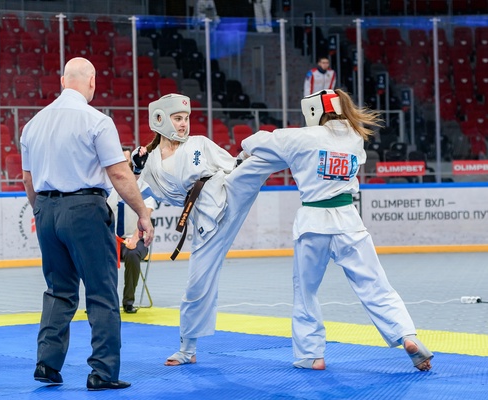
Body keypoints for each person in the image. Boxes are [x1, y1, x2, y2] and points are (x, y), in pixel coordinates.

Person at [238, 89, 434, 371]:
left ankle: (312, 355)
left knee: (306, 292)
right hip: (349, 221)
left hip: (313, 223)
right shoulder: (355, 137)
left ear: (314, 111)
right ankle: (407, 336)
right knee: (376, 285)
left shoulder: (301, 137)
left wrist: (248, 150)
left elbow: (256, 140)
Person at [21, 57, 154, 391]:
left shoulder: (33, 124)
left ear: (62, 81)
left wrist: (43, 211)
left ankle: (46, 364)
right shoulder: (96, 120)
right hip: (84, 210)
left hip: (46, 209)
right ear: (92, 81)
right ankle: (103, 372)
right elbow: (119, 173)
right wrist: (142, 212)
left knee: (58, 290)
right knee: (101, 290)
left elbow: (28, 180)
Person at [131, 93, 269, 366]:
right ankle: (187, 350)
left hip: (227, 192)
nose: (184, 124)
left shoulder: (199, 143)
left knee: (258, 158)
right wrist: (137, 167)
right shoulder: (150, 162)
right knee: (196, 286)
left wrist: (245, 157)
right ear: (160, 119)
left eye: (186, 118)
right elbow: (138, 192)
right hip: (205, 224)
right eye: (177, 118)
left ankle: (293, 146)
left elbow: (232, 165)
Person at [107, 148, 158, 314]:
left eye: (127, 161)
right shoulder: (107, 186)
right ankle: (102, 301)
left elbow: (146, 216)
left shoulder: (144, 188)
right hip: (111, 240)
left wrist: (135, 239)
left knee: (132, 253)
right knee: (96, 254)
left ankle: (128, 301)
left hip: (136, 239)